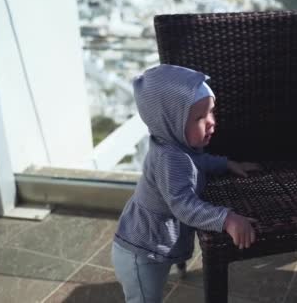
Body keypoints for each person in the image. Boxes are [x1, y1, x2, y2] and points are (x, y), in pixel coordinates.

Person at [111, 64, 260, 303]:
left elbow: (199, 161)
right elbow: (184, 206)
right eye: (200, 117)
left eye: (211, 111)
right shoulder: (170, 158)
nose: (211, 122)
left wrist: (225, 163)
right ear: (170, 121)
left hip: (153, 244)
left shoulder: (178, 145)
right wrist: (227, 219)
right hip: (140, 252)